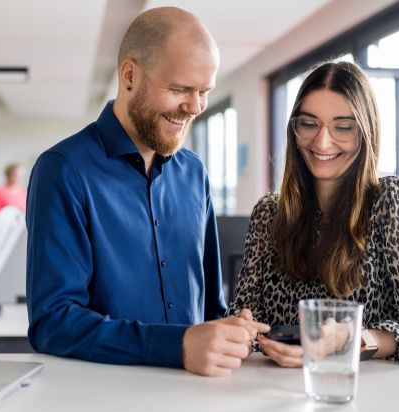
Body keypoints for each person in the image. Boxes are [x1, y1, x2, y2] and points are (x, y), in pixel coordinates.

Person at [26, 6, 268, 377]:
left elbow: (210, 308)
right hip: (103, 396)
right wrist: (177, 346)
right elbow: (53, 321)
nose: (196, 107)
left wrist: (229, 332)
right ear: (129, 75)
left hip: (195, 394)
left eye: (205, 91)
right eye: (180, 89)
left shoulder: (195, 173)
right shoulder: (63, 169)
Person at [228, 61, 399, 366]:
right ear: (294, 129)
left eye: (343, 126)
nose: (322, 142)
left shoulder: (397, 200)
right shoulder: (269, 213)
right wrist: (242, 329)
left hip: (373, 400)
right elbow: (243, 316)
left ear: (366, 132)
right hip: (276, 394)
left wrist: (354, 339)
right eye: (309, 124)